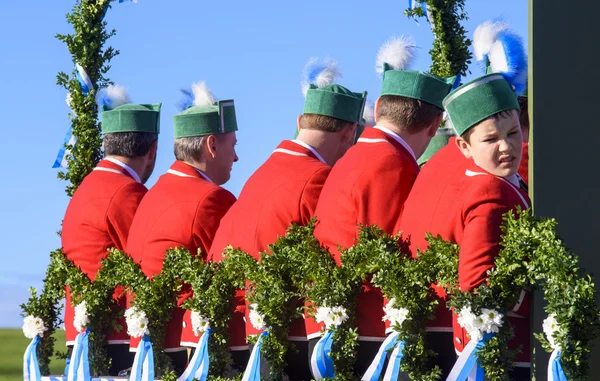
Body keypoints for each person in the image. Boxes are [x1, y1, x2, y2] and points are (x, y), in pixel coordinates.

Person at [209, 58, 366, 380]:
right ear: (350, 132)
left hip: (242, 335)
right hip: (288, 343)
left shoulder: (260, 174)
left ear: (300, 121)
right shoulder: (320, 179)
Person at [311, 36, 454, 375]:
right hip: (369, 334)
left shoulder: (353, 156)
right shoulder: (394, 163)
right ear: (435, 127)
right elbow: (397, 254)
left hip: (339, 325)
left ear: (377, 110)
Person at [399, 20, 530, 379]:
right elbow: (475, 281)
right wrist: (530, 290)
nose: (506, 146)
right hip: (500, 353)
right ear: (464, 147)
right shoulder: (490, 190)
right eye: (490, 140)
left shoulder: (503, 182)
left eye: (513, 133)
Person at [126, 81, 239, 375]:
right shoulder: (213, 198)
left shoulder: (152, 194)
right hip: (186, 354)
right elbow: (233, 277)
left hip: (143, 350)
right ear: (212, 145)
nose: (236, 157)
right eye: (233, 145)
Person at [61, 85, 160, 376]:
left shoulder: (87, 188)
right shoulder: (127, 193)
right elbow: (148, 263)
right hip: (116, 340)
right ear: (151, 151)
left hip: (83, 333)